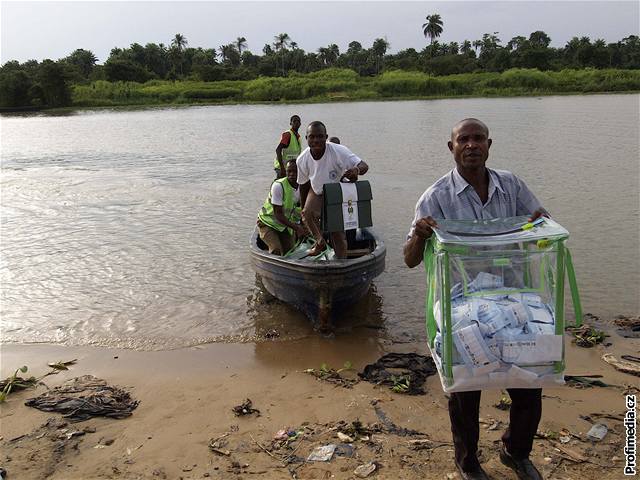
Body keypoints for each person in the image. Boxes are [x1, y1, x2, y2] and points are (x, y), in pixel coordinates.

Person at [404, 118, 547, 480]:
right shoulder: (434, 197)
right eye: (463, 139)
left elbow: (539, 221)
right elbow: (409, 259)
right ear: (450, 147)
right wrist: (421, 235)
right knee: (466, 390)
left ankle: (515, 451)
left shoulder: (511, 185)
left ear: (489, 144)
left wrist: (540, 223)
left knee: (529, 380)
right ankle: (467, 461)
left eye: (478, 138)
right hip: (462, 302)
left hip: (511, 300)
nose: (471, 145)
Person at [297, 121, 368, 259]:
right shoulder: (302, 159)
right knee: (307, 213)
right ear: (306, 138)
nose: (316, 140)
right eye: (312, 137)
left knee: (337, 233)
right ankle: (320, 242)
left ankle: (341, 262)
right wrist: (302, 209)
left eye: (320, 136)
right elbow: (304, 185)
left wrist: (356, 170)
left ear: (326, 137)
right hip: (318, 189)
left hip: (337, 191)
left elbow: (364, 165)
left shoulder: (338, 151)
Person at [257, 159, 306, 256]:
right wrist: (297, 228)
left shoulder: (304, 186)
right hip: (268, 223)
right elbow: (278, 214)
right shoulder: (279, 186)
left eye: (295, 171)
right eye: (289, 171)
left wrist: (304, 226)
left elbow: (306, 210)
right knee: (276, 250)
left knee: (291, 253)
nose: (292, 174)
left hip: (285, 226)